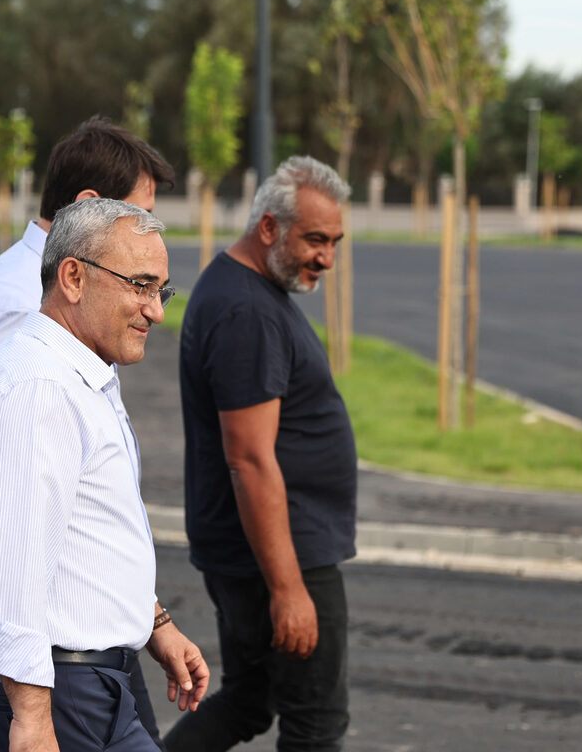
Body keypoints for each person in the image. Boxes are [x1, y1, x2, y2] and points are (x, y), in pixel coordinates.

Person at [0, 116, 174, 744]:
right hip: (60, 688)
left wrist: (153, 624)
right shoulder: (38, 377)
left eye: (162, 288)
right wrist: (29, 715)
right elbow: (15, 553)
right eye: (140, 286)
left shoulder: (74, 361)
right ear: (73, 277)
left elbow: (85, 525)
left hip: (87, 677)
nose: (156, 309)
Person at [166, 156, 356, 752]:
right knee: (315, 722)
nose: (326, 257)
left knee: (250, 700)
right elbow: (248, 458)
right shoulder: (246, 310)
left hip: (258, 551)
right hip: (277, 556)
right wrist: (287, 589)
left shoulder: (244, 289)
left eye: (335, 242)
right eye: (316, 240)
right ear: (269, 227)